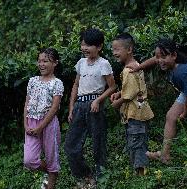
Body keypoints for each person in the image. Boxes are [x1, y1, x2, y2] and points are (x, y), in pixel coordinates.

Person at [127, 38, 187, 164]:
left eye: (163, 57)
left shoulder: (180, 73)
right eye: (158, 57)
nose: (160, 61)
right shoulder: (171, 63)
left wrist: (185, 112)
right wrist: (138, 67)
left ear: (174, 55)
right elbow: (154, 59)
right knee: (171, 116)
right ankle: (165, 155)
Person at [64, 28, 116, 187]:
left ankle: (101, 177)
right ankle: (85, 175)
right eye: (82, 45)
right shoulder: (80, 63)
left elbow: (112, 87)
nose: (84, 48)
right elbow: (75, 85)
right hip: (79, 105)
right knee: (70, 145)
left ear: (99, 47)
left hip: (95, 106)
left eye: (88, 45)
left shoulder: (104, 63)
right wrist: (71, 107)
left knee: (98, 143)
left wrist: (98, 100)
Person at [110, 33, 154, 175]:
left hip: (135, 113)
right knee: (139, 142)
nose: (114, 53)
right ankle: (141, 171)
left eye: (117, 49)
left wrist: (118, 102)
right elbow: (135, 89)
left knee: (136, 144)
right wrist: (120, 93)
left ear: (129, 49)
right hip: (140, 111)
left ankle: (141, 175)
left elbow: (130, 94)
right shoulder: (136, 65)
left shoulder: (128, 70)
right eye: (113, 49)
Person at [23, 48, 64, 189]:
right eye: (39, 61)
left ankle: (51, 181)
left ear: (55, 63)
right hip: (31, 123)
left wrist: (41, 127)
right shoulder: (32, 81)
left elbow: (54, 108)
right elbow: (27, 104)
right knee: (29, 160)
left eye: (45, 61)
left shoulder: (57, 83)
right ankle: (52, 172)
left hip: (48, 124)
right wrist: (25, 124)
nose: (41, 64)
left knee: (51, 157)